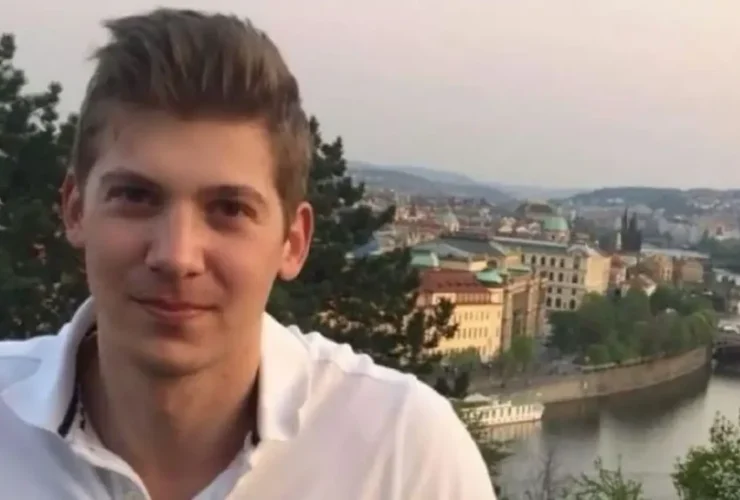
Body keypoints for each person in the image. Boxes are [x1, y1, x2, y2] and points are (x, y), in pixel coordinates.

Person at [0, 8, 496, 500]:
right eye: (135, 196)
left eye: (229, 209)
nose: (177, 256)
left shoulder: (402, 454)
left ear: (293, 242)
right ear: (74, 210)